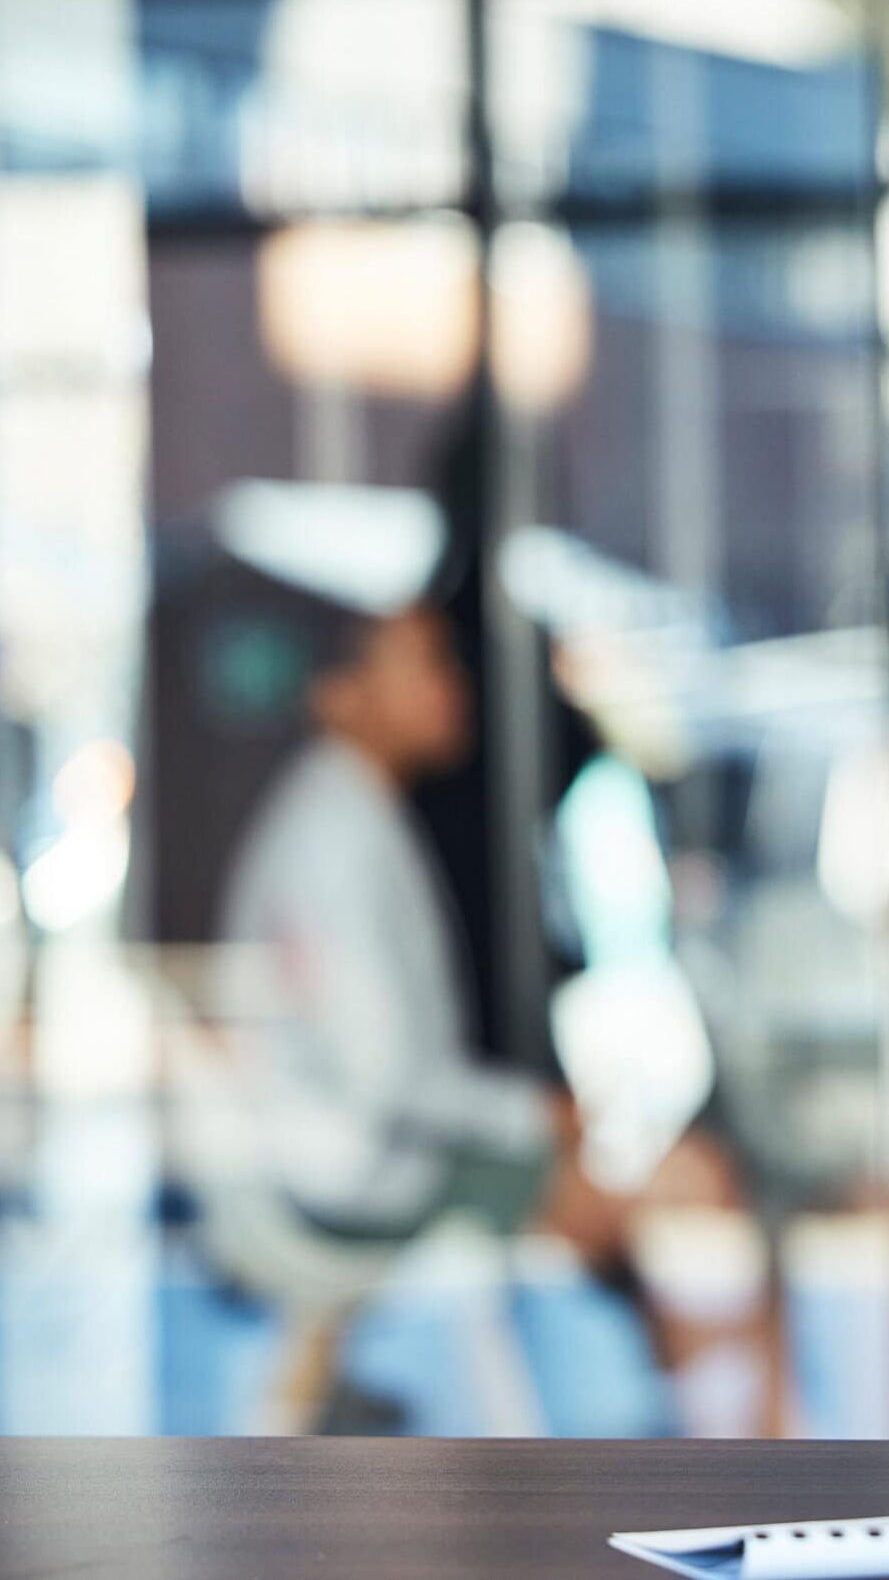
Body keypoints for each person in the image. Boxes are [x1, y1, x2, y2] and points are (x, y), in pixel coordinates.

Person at [220, 600, 775, 1436]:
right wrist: (537, 1113)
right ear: (341, 695)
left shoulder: (355, 814)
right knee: (681, 1185)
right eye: (423, 666)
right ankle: (718, 1416)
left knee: (634, 1190)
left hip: (358, 1155)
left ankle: (688, 1388)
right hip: (358, 1176)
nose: (453, 689)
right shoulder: (338, 836)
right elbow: (388, 1079)